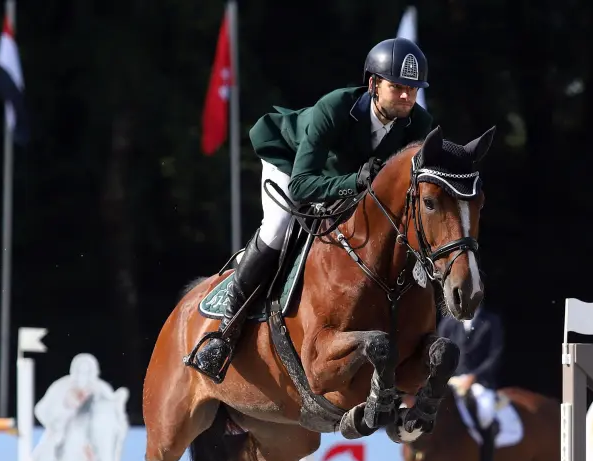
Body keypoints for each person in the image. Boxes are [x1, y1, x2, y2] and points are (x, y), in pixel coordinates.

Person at [187, 36, 436, 382]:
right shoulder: (335, 108)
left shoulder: (419, 125)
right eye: (398, 87)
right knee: (277, 227)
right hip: (292, 164)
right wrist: (354, 183)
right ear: (374, 84)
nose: (407, 96)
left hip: (350, 183)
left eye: (413, 88)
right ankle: (226, 330)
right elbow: (303, 185)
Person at [437, 305, 506, 461]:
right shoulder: (448, 323)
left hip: (479, 383)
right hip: (451, 381)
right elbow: (440, 354)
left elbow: (495, 355)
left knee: (485, 413)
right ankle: (416, 460)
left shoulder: (491, 322)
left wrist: (474, 377)